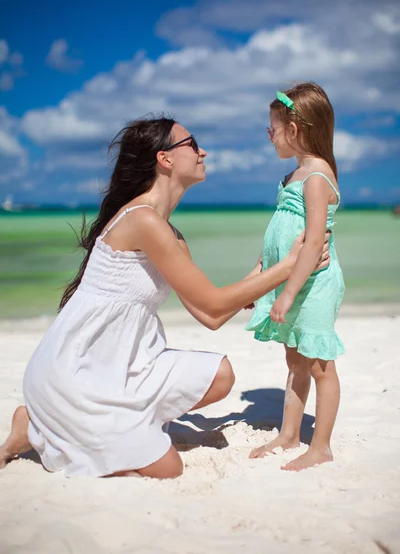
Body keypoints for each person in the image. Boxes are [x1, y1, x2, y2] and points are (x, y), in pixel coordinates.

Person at [0, 116, 330, 479]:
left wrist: (267, 267)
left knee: (220, 375)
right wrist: (289, 267)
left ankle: (111, 426)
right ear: (165, 159)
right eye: (192, 144)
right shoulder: (142, 220)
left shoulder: (170, 234)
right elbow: (216, 303)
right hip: (78, 371)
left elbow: (211, 316)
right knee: (167, 467)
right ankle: (34, 427)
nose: (202, 151)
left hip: (126, 367)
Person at [247, 83, 345, 471]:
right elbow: (280, 232)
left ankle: (320, 447)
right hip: (289, 279)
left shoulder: (317, 175)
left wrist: (286, 295)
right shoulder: (294, 174)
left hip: (314, 283)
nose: (269, 135)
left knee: (320, 364)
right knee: (294, 360)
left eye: (273, 127)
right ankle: (289, 434)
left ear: (295, 128)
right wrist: (257, 277)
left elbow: (314, 239)